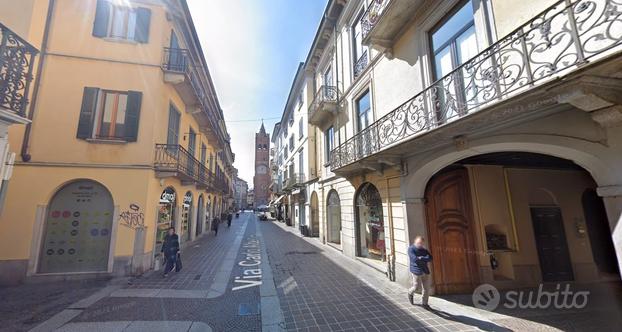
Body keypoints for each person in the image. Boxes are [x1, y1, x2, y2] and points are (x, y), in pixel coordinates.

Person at [408, 235, 433, 309]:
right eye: (419, 243)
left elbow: (430, 258)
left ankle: (425, 304)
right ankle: (410, 293)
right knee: (416, 287)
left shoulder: (424, 250)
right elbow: (415, 259)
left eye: (422, 243)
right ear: (415, 242)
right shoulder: (411, 249)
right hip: (416, 271)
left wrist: (421, 257)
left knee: (426, 288)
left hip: (425, 270)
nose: (420, 245)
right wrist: (424, 258)